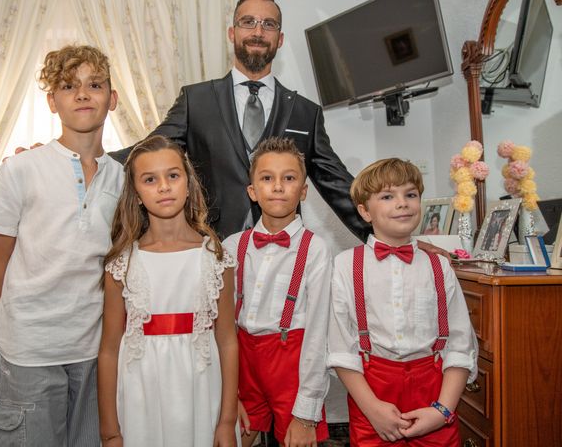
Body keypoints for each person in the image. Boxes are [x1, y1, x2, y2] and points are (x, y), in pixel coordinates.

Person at [110, 0, 371, 242]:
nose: (258, 32)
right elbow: (146, 153)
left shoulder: (306, 112)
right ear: (232, 33)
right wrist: (89, 163)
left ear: (279, 39)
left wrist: (384, 232)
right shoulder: (195, 100)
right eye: (248, 22)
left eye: (269, 24)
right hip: (213, 243)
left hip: (285, 249)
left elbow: (336, 183)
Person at [0, 45, 122, 446]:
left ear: (112, 100)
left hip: (94, 352)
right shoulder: (20, 169)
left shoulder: (123, 180)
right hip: (29, 353)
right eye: (68, 86)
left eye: (95, 85)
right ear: (52, 101)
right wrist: (30, 321)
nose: (82, 94)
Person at [98, 135, 239, 446]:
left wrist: (227, 420)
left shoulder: (217, 260)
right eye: (150, 179)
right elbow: (108, 350)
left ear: (187, 184)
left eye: (172, 176)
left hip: (201, 390)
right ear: (135, 194)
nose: (163, 186)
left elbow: (227, 341)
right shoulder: (122, 266)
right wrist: (110, 431)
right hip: (140, 396)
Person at [327, 158, 478, 446]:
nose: (402, 203)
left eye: (410, 194)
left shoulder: (440, 266)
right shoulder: (346, 266)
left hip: (434, 397)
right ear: (364, 211)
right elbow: (340, 349)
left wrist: (442, 410)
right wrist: (372, 409)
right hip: (372, 398)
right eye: (387, 196)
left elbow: (460, 345)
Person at [223, 137, 331, 447]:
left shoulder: (315, 250)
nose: (279, 186)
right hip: (243, 366)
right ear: (253, 191)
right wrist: (229, 394)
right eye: (267, 178)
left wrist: (306, 413)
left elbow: (319, 334)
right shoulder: (232, 246)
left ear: (304, 191)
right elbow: (222, 325)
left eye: (289, 178)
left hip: (293, 371)